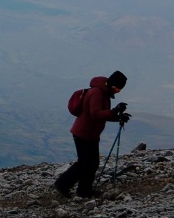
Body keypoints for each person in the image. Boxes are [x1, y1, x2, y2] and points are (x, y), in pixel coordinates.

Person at [55, 70, 130, 199]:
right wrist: (115, 111)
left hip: (90, 134)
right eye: (117, 89)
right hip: (83, 133)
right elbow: (95, 114)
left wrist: (118, 117)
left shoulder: (104, 92)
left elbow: (102, 114)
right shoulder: (97, 93)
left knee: (91, 163)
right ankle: (66, 186)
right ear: (112, 84)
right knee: (86, 163)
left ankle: (81, 190)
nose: (118, 92)